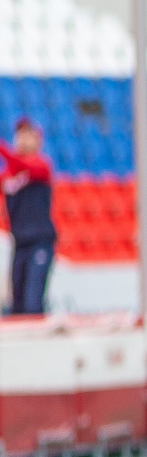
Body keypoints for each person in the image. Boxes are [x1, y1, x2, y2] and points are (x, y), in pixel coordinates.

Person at [1, 117, 57, 317]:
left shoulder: (41, 165)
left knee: (33, 303)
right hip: (20, 242)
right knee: (17, 305)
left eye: (28, 134)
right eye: (19, 134)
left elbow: (21, 165)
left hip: (39, 241)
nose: (22, 139)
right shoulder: (8, 174)